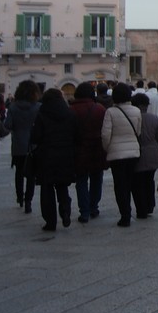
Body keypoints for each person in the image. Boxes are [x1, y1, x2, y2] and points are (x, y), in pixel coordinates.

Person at [30, 89, 79, 231]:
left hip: (46, 155)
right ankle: (65, 209)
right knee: (62, 185)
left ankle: (50, 221)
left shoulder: (42, 114)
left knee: (47, 189)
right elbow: (77, 134)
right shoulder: (70, 113)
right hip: (66, 153)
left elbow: (35, 137)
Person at [101, 83, 142, 227]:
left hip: (117, 154)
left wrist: (108, 148)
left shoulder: (110, 112)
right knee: (131, 182)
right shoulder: (136, 111)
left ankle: (125, 214)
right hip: (133, 152)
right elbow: (138, 131)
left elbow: (106, 135)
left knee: (120, 185)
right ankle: (137, 209)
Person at [69, 82, 106, 223]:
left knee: (81, 180)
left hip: (80, 149)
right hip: (97, 148)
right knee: (97, 178)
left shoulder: (72, 109)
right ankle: (93, 206)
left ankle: (84, 211)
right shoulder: (99, 109)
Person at [4, 80, 41, 213]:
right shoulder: (38, 107)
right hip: (33, 144)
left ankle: (19, 196)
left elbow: (7, 125)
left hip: (18, 144)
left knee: (19, 172)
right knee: (31, 175)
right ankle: (28, 201)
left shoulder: (13, 107)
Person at [133, 92, 158, 220]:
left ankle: (141, 209)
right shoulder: (153, 118)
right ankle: (150, 205)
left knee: (138, 183)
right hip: (153, 155)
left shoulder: (132, 118)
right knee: (149, 180)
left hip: (136, 155)